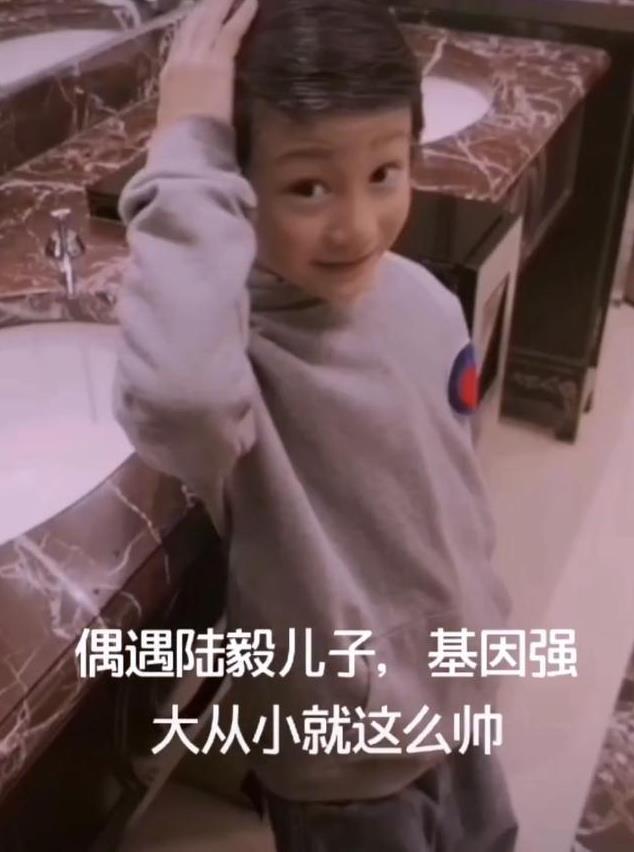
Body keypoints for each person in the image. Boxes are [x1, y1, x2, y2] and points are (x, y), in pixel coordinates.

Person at [113, 0, 519, 848]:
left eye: (385, 172)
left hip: (459, 695)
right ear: (232, 185)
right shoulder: (239, 358)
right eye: (307, 187)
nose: (357, 226)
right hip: (346, 762)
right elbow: (180, 399)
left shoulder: (425, 300)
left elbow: (449, 496)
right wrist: (186, 148)